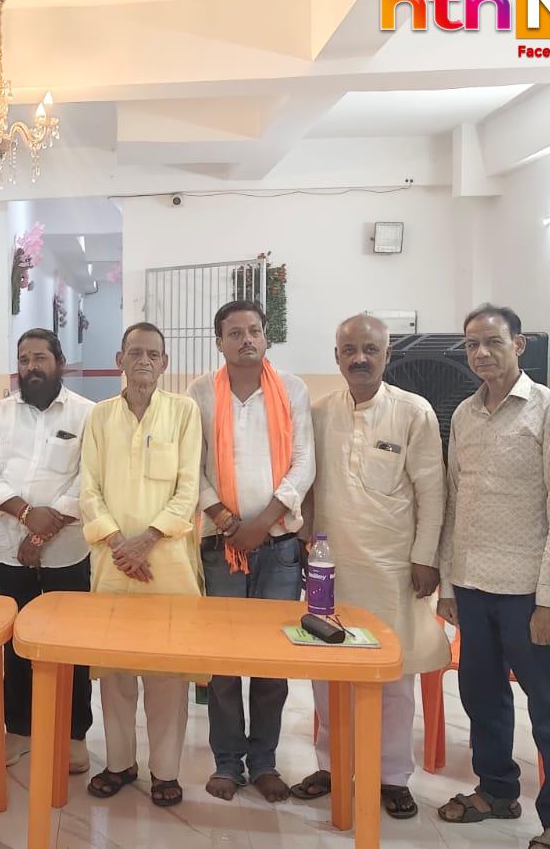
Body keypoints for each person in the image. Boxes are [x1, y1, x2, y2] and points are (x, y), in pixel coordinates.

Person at [436, 304, 550, 849]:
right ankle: (497, 789)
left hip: (529, 592)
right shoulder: (464, 414)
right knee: (481, 697)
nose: (481, 353)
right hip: (473, 586)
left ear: (518, 345)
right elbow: (455, 501)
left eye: (493, 342)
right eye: (471, 344)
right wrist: (449, 584)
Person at [289, 315, 449, 819]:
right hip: (331, 569)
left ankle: (393, 777)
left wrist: (425, 557)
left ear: (387, 354)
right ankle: (332, 766)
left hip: (393, 569)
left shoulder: (414, 412)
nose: (360, 358)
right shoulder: (319, 413)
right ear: (336, 356)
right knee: (326, 671)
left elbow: (432, 491)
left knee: (394, 677)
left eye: (370, 349)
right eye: (349, 349)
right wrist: (304, 540)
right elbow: (308, 485)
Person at [185, 298, 315, 803]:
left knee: (271, 659)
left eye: (254, 331)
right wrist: (223, 518)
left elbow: (304, 462)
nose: (246, 340)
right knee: (223, 660)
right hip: (221, 545)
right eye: (235, 333)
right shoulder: (200, 392)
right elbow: (192, 465)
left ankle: (264, 763)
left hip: (277, 546)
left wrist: (262, 524)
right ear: (219, 342)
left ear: (266, 337)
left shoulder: (293, 389)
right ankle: (226, 762)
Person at [79, 323, 204, 808]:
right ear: (120, 359)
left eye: (154, 354)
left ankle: (166, 772)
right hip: (113, 562)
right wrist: (119, 544)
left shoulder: (184, 412)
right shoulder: (100, 416)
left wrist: (147, 540)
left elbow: (188, 490)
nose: (144, 361)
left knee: (167, 672)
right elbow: (88, 488)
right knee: (114, 672)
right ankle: (119, 763)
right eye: (135, 353)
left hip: (166, 562)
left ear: (165, 362)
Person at [0, 328, 95, 774]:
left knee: (72, 645)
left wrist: (42, 534)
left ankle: (74, 734)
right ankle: (20, 730)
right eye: (24, 359)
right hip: (10, 551)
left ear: (59, 362)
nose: (31, 367)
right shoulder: (0, 413)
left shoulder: (87, 413)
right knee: (17, 645)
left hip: (67, 551)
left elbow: (89, 479)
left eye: (40, 358)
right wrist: (26, 515)